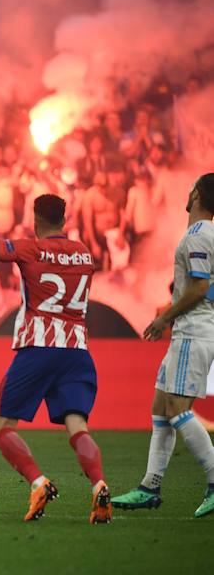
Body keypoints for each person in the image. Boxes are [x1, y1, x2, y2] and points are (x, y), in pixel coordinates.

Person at [0, 170, 112, 524]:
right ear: (64, 219)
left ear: (35, 220)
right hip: (78, 352)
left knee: (1, 425)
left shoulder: (30, 248)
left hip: (39, 347)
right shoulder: (84, 254)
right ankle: (98, 484)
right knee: (78, 426)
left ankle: (38, 481)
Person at [112, 174, 214, 519]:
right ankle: (149, 486)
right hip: (191, 332)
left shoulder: (199, 236)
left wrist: (163, 318)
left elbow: (199, 288)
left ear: (196, 194)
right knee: (160, 407)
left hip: (192, 332)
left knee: (176, 409)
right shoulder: (204, 235)